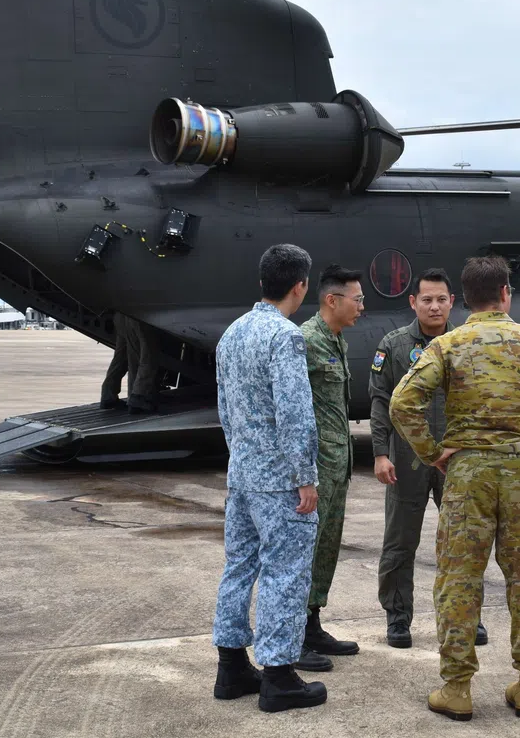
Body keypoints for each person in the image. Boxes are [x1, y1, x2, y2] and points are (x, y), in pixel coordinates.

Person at [389, 256, 520, 721]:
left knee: (459, 580)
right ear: (506, 294)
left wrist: (432, 452)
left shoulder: (448, 345)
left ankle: (457, 688)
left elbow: (403, 402)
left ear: (464, 300)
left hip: (468, 475)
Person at [210, 243, 327, 713]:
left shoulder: (232, 333)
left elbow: (225, 410)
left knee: (238, 566)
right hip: (280, 481)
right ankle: (279, 676)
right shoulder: (285, 336)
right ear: (300, 286)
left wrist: (240, 458)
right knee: (285, 573)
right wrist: (306, 476)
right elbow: (295, 413)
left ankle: (231, 667)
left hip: (242, 475)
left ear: (263, 282)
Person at [368, 268, 488, 650]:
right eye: (426, 300)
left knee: (464, 542)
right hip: (408, 459)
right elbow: (381, 402)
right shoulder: (394, 345)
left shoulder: (465, 342)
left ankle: (468, 616)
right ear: (413, 302)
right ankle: (398, 619)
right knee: (400, 542)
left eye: (441, 299)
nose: (434, 306)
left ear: (452, 301)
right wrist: (380, 454)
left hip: (457, 459)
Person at [297, 264, 364, 671]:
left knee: (326, 549)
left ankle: (312, 624)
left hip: (337, 466)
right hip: (315, 469)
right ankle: (292, 636)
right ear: (332, 300)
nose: (362, 306)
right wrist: (302, 472)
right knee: (304, 552)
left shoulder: (336, 340)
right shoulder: (305, 340)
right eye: (357, 299)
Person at [99, 311, 161, 414]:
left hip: (121, 314)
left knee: (121, 358)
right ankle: (138, 395)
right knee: (147, 357)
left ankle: (108, 394)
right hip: (142, 314)